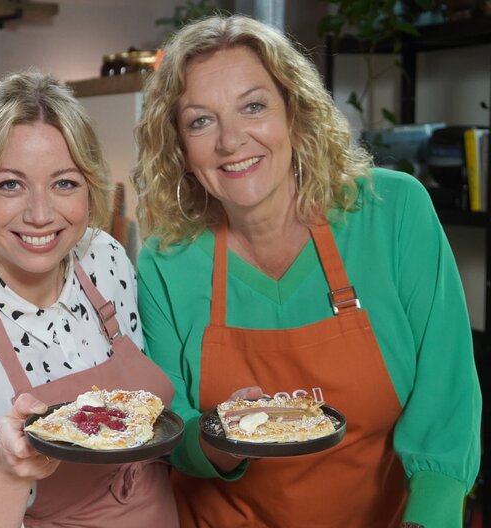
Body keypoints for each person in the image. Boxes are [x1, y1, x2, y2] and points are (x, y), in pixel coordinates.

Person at [132, 14, 480, 528]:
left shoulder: (392, 210)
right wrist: (220, 437)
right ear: (180, 149)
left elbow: (445, 413)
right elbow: (170, 428)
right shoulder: (166, 258)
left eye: (253, 106)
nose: (231, 140)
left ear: (294, 114)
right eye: (200, 121)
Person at [0, 70, 179, 528]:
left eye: (64, 183)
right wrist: (5, 471)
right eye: (10, 184)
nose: (40, 215)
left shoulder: (105, 260)